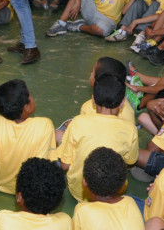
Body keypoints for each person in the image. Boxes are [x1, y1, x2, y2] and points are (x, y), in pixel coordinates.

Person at [0, 79, 56, 208]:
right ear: (26, 107)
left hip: (1, 185)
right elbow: (40, 167)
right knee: (57, 144)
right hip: (26, 191)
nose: (33, 97)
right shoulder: (45, 125)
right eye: (30, 95)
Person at [59, 75, 138, 203]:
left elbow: (64, 165)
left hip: (79, 191)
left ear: (93, 100)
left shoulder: (78, 122)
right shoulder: (130, 129)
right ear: (123, 102)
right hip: (114, 192)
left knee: (59, 134)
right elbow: (130, 161)